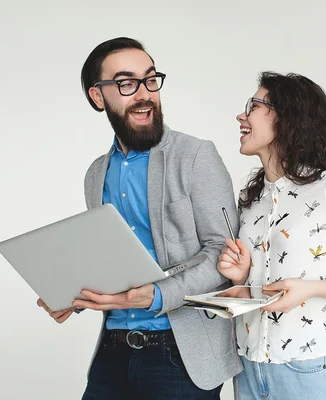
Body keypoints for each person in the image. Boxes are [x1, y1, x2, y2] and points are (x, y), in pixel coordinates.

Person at [36, 37, 243, 400]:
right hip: (112, 352)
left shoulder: (196, 156)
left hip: (179, 356)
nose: (145, 93)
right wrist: (72, 294)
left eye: (150, 80)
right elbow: (112, 261)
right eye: (126, 83)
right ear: (98, 97)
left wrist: (158, 294)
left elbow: (224, 257)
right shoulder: (96, 173)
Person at [217, 72, 326, 400]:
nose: (241, 115)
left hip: (305, 370)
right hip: (249, 368)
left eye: (253, 106)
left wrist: (308, 289)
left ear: (286, 116)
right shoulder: (250, 200)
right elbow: (262, 285)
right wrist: (240, 276)